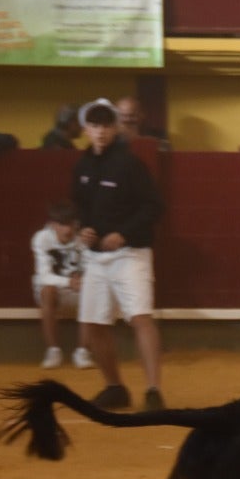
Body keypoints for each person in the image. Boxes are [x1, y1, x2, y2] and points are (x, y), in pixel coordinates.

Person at [71, 99, 165, 411]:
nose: (99, 132)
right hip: (96, 257)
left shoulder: (129, 164)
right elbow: (80, 206)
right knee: (94, 324)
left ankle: (153, 390)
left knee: (140, 317)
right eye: (94, 126)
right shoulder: (83, 165)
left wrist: (123, 232)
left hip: (131, 253)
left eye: (105, 126)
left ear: (115, 129)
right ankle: (114, 387)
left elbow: (153, 206)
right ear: (86, 130)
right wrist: (83, 228)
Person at [31, 200, 92, 371]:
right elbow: (44, 276)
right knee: (47, 291)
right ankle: (53, 351)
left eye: (71, 224)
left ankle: (82, 352)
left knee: (93, 290)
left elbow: (91, 267)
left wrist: (83, 282)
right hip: (55, 291)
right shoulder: (41, 238)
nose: (68, 229)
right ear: (52, 225)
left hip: (78, 290)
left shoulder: (84, 238)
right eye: (62, 224)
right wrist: (68, 282)